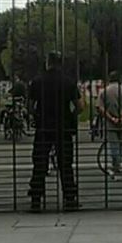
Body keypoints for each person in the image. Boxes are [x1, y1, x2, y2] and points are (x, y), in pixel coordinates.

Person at [28, 51, 84, 212]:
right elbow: (80, 106)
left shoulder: (37, 81)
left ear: (47, 62)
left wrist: (37, 115)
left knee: (39, 163)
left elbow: (30, 106)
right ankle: (70, 198)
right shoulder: (68, 82)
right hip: (63, 126)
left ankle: (36, 198)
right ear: (61, 63)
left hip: (44, 126)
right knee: (65, 164)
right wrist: (70, 116)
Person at [98, 71, 122, 180]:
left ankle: (116, 166)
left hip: (110, 124)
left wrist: (111, 118)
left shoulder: (104, 92)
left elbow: (100, 108)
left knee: (114, 146)